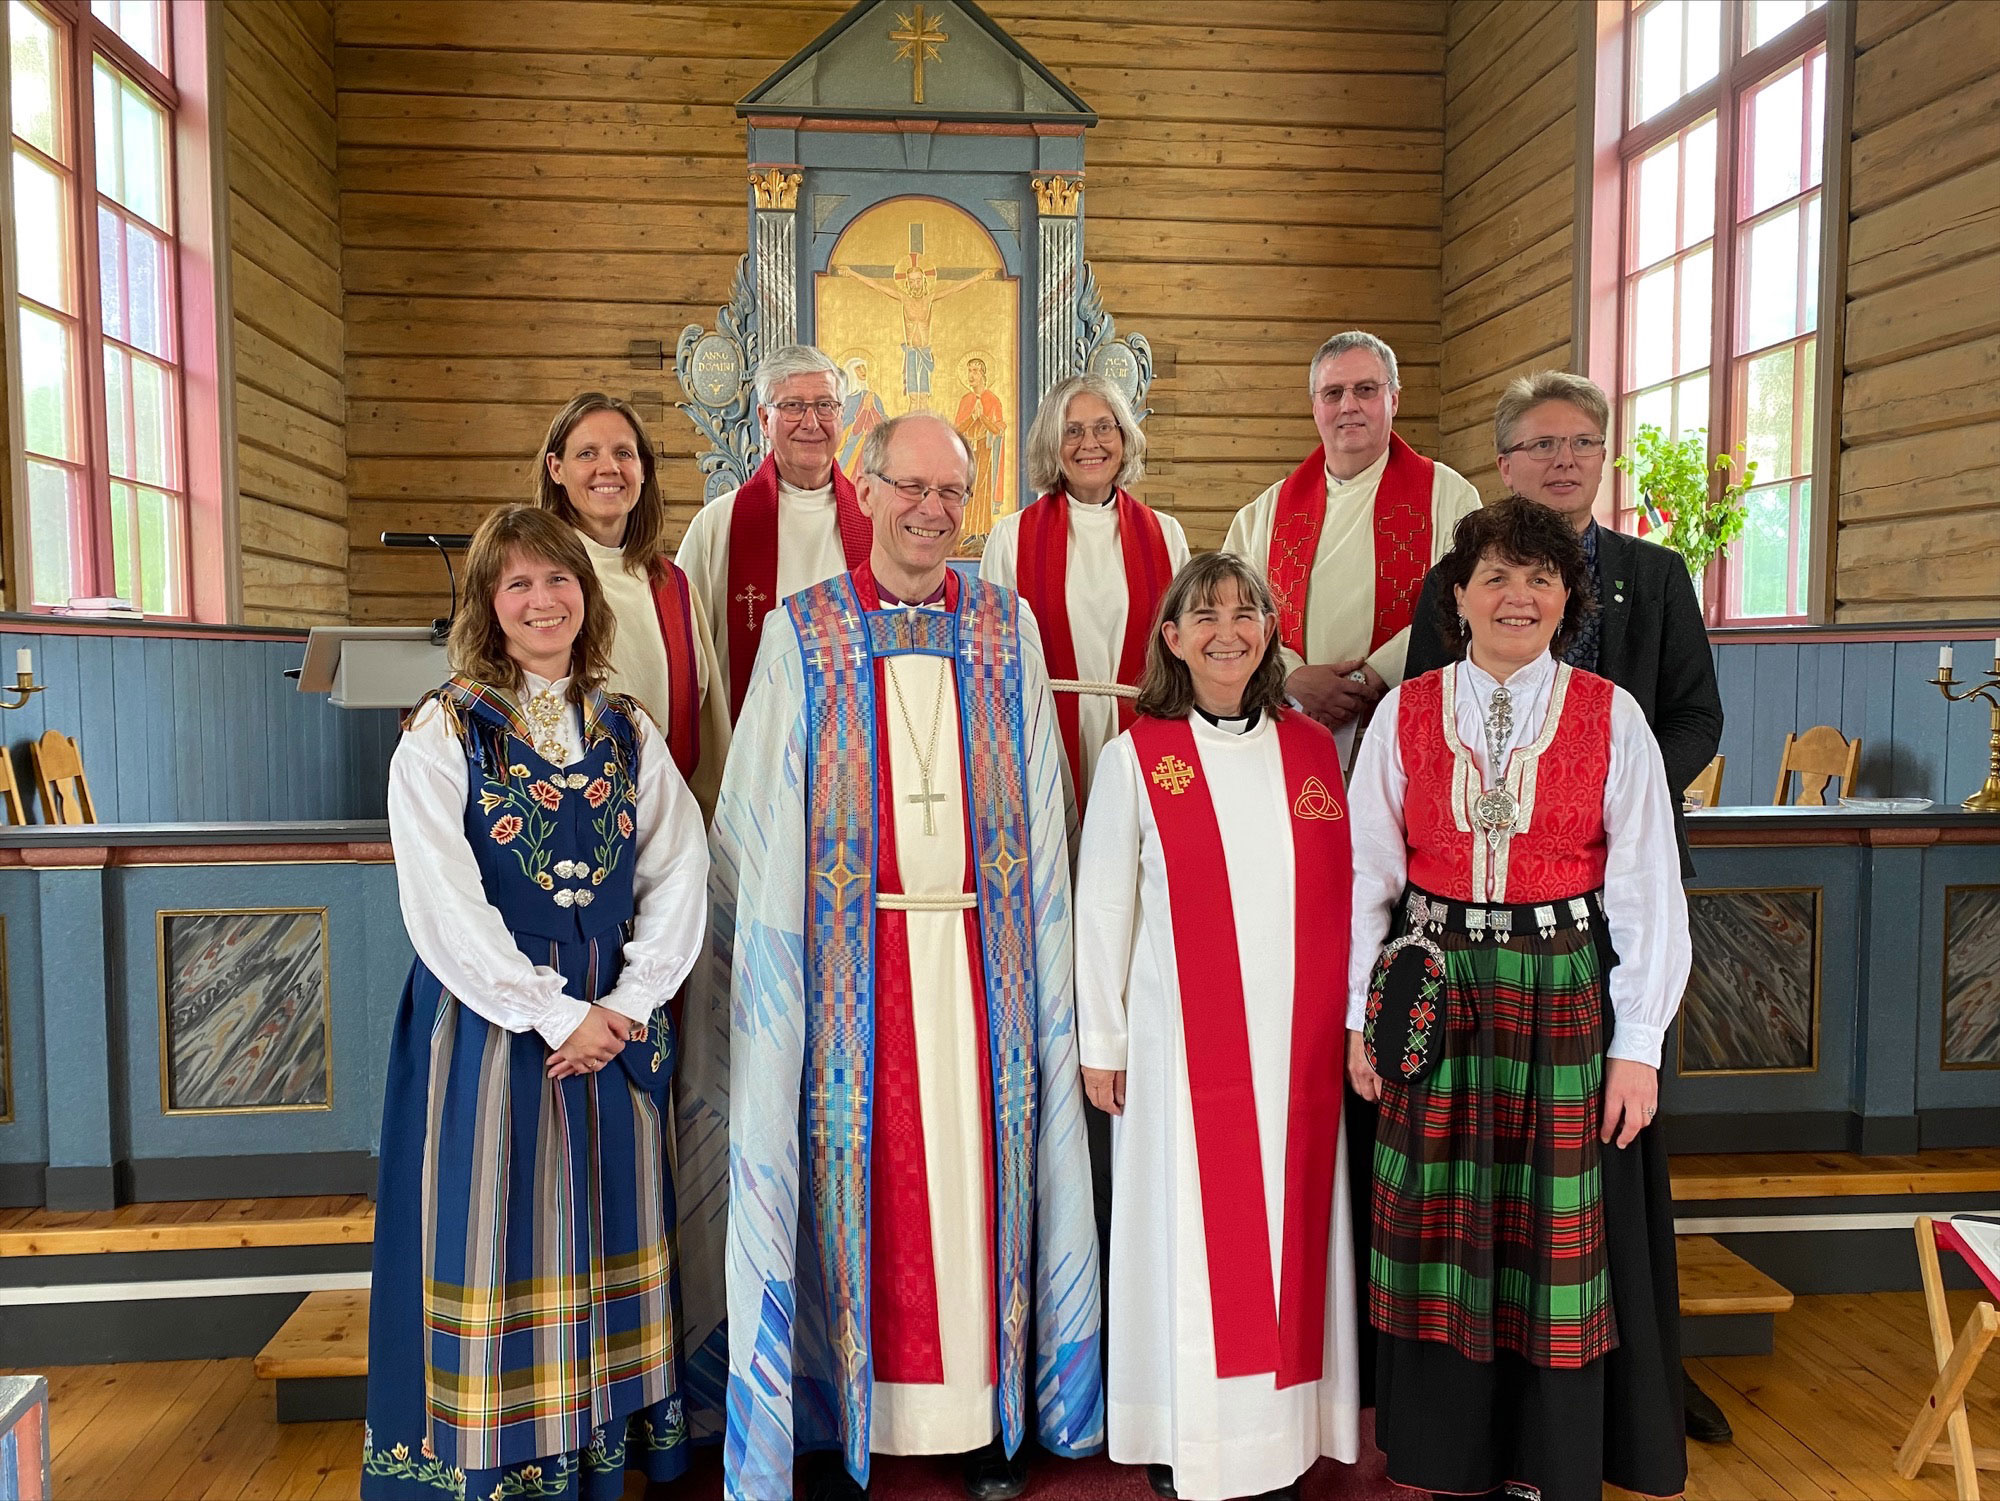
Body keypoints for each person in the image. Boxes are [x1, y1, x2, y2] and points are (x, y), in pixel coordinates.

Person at [679, 413, 1103, 1501]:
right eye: (907, 487)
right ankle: (834, 1410)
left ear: (969, 506)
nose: (927, 510)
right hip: (844, 971)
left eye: (949, 494)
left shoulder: (1006, 629)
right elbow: (759, 816)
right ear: (864, 493)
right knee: (846, 1182)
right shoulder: (802, 629)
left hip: (981, 961)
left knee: (979, 1185)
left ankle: (980, 1417)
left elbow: (1044, 814)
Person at [1345, 499, 1691, 1501]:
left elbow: (1643, 887)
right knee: (1443, 1227)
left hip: (1561, 991)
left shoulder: (1608, 713)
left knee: (1548, 1234)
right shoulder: (1406, 712)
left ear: (1565, 600)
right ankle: (1444, 1453)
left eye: (1539, 579)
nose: (1517, 595)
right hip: (1430, 990)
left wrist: (1638, 1046)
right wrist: (1355, 1017)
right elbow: (1365, 877)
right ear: (1456, 594)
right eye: (1495, 575)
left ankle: (1548, 1462)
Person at [363, 506, 709, 1501]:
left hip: (614, 1015)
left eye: (556, 581)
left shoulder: (624, 725)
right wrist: (552, 1011)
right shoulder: (443, 729)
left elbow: (678, 868)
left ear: (583, 597)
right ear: (486, 603)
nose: (541, 599)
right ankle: (502, 1465)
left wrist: (633, 999)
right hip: (490, 1021)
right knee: (498, 1229)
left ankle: (600, 1456)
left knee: (602, 1226)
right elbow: (440, 897)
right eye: (516, 584)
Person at [1075, 551, 1359, 1501]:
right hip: (1183, 1055)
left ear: (1272, 630)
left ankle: (1283, 1433)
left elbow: (1350, 901)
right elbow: (1105, 908)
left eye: (1247, 612)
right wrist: (1102, 1042)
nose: (1228, 630)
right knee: (1184, 1243)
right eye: (1205, 616)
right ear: (1171, 639)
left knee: (1290, 1239)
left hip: (1298, 1056)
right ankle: (1186, 1430)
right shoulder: (1137, 757)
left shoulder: (1313, 751)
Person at [1403, 370, 1724, 879]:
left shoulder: (1656, 575)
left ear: (1601, 458)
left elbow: (1696, 718)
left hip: (1630, 848)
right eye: (1544, 444)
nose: (1565, 459)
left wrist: (1614, 794)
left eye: (1583, 443)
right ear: (1505, 466)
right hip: (1477, 853)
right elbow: (1422, 719)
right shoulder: (1454, 579)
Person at [1221, 330, 1482, 764]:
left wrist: (1374, 674)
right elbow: (1233, 613)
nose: (1349, 406)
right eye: (1333, 393)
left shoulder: (1448, 496)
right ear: (1315, 407)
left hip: (1406, 724)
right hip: (1289, 722)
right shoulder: (1263, 513)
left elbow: (1465, 601)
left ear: (1393, 399)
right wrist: (1290, 675)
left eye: (1365, 390)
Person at [980, 373, 1190, 813]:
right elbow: (991, 655)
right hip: (1046, 735)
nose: (1089, 443)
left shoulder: (1165, 535)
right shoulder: (1012, 538)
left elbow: (1184, 649)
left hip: (1144, 729)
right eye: (1072, 431)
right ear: (1052, 444)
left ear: (1125, 437)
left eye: (1103, 427)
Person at [537, 391, 729, 816]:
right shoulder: (531, 586)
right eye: (588, 453)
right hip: (557, 821)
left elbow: (708, 740)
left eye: (624, 453)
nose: (610, 468)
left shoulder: (673, 587)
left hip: (662, 828)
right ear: (556, 468)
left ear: (642, 471)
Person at [675, 345, 874, 722]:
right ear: (764, 419)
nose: (811, 423)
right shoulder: (720, 524)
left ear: (842, 418)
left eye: (825, 406)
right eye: (793, 406)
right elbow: (684, 653)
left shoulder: (874, 521)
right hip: (752, 738)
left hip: (853, 736)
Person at [954, 356, 1007, 541]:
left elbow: (999, 428)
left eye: (975, 371)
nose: (971, 375)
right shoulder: (965, 400)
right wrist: (971, 418)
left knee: (982, 488)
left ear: (983, 374)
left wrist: (982, 417)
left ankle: (983, 531)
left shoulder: (992, 400)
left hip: (985, 449)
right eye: (969, 371)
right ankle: (970, 531)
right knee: (968, 487)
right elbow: (957, 429)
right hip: (968, 451)